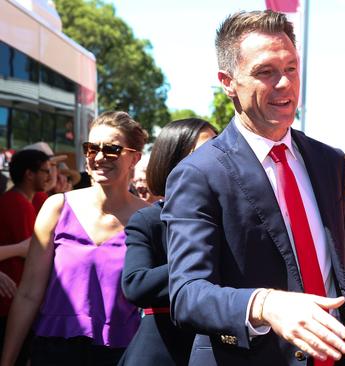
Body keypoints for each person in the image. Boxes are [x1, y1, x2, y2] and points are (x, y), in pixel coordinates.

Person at [162, 10, 345, 366]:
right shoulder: (199, 173)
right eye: (266, 72)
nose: (284, 84)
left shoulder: (328, 161)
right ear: (228, 81)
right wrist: (265, 305)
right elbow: (187, 294)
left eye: (291, 68)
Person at [1, 111, 148, 366]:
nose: (99, 157)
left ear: (134, 157)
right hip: (54, 350)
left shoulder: (148, 218)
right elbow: (28, 294)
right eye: (92, 148)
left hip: (121, 352)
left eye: (112, 149)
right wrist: (7, 361)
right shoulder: (56, 207)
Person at [119, 119, 217, 366]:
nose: (215, 160)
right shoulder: (149, 219)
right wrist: (196, 261)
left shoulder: (231, 220)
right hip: (162, 350)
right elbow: (135, 284)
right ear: (172, 160)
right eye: (203, 152)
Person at [0, 149, 51, 365]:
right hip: (9, 303)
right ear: (29, 174)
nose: (50, 176)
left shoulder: (24, 201)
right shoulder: (17, 204)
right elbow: (32, 251)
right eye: (45, 171)